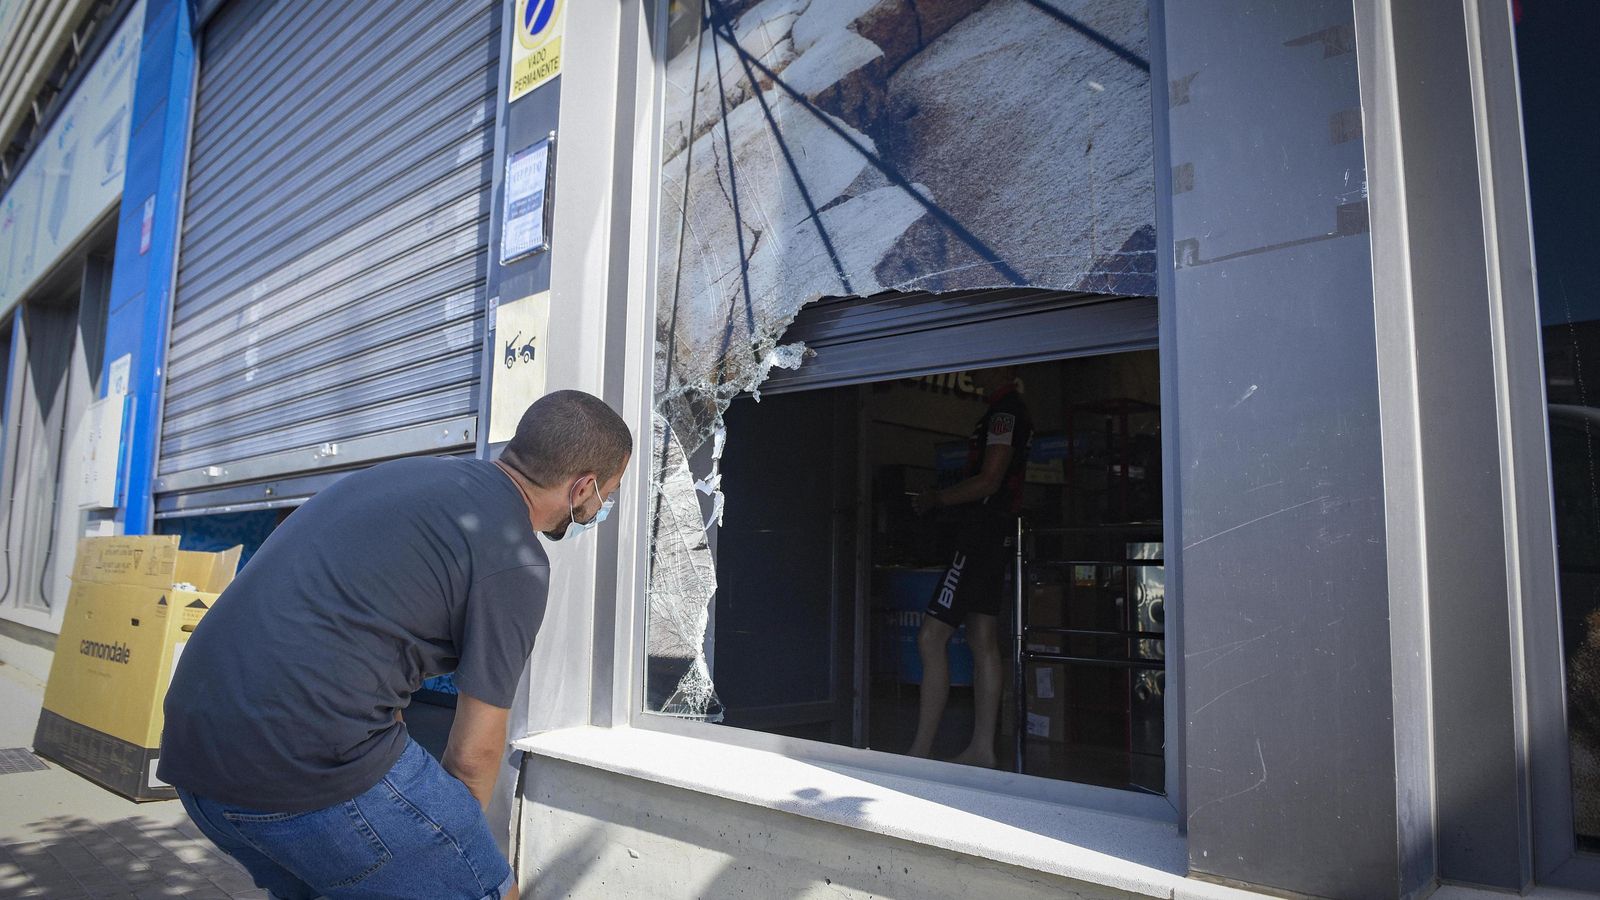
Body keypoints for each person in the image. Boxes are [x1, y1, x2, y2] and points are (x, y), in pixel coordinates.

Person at [158, 390, 632, 900]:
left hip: (194, 759)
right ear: (583, 487)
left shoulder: (407, 477)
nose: (601, 507)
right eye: (608, 493)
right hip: (303, 763)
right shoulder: (515, 558)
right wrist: (451, 848)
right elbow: (474, 753)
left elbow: (363, 635)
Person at [908, 366, 1033, 768]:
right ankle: (982, 749)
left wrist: (937, 499)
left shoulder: (1005, 412)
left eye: (982, 363)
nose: (973, 369)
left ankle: (920, 753)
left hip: (981, 534)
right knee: (982, 639)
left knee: (930, 637)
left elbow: (990, 480)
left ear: (1002, 368)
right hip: (994, 536)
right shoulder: (1007, 410)